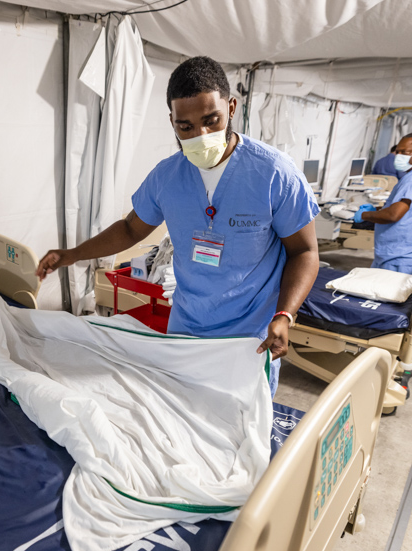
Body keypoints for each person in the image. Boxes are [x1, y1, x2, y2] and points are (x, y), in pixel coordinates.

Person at [36, 56, 320, 396]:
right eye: (185, 127)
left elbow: (304, 251)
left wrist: (285, 315)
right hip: (186, 328)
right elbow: (129, 229)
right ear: (172, 121)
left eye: (211, 121)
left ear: (231, 107)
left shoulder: (274, 174)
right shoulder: (167, 177)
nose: (200, 135)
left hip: (249, 337)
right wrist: (71, 254)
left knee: (239, 433)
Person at [353, 132, 412, 277]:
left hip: (401, 256)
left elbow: (394, 214)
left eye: (406, 152)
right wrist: (377, 210)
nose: (399, 156)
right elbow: (411, 206)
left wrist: (365, 215)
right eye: (399, 151)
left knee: (386, 297)